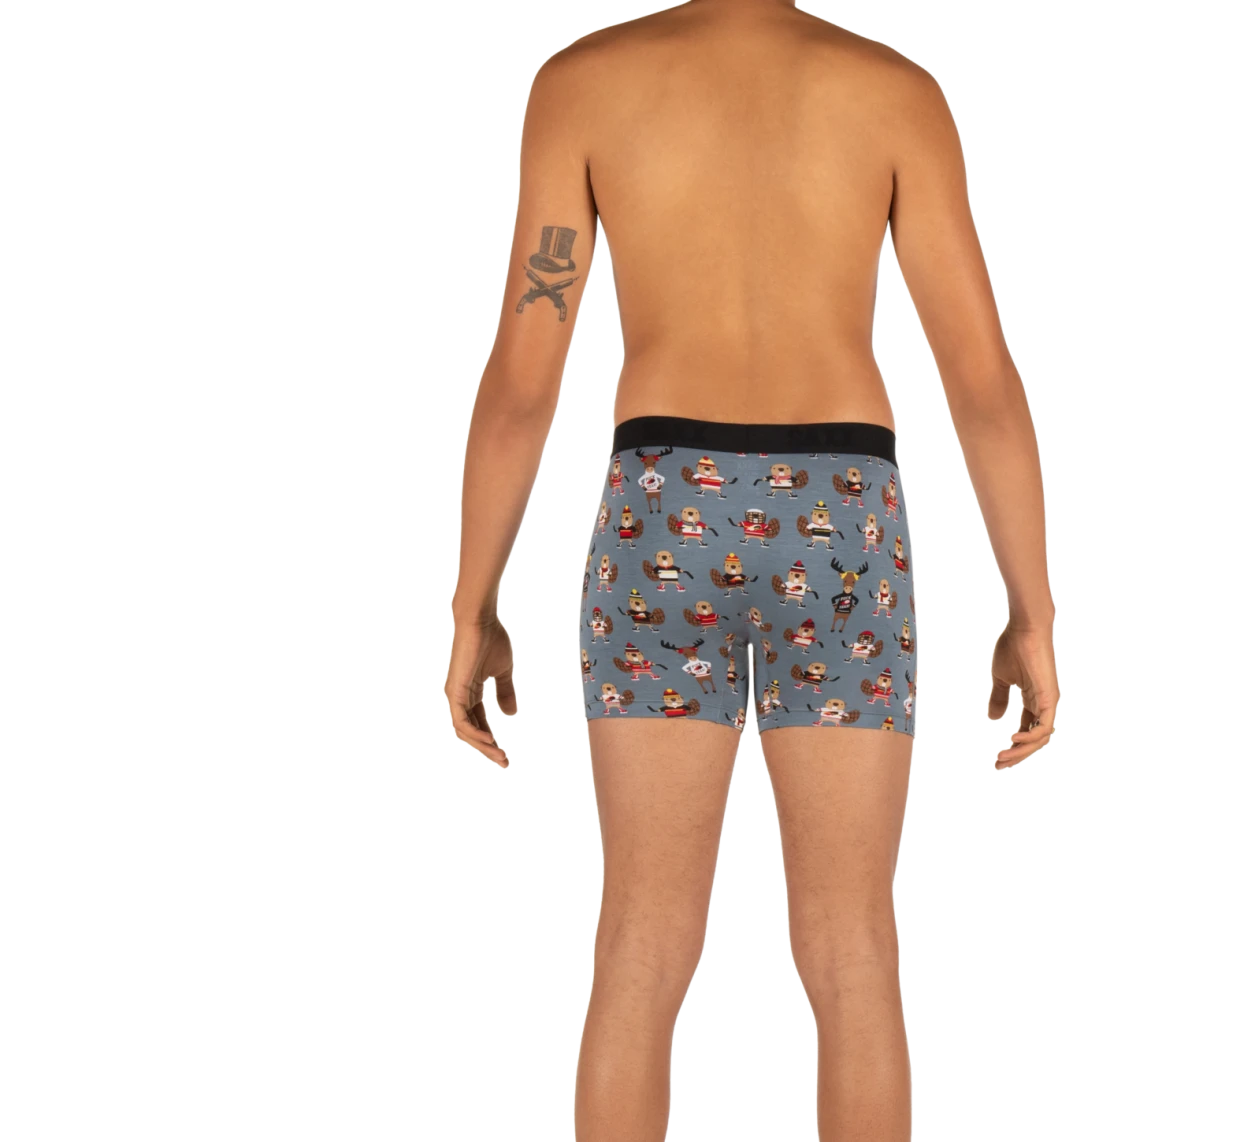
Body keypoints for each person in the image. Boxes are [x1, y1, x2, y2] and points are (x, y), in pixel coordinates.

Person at [445, 2, 1057, 1138]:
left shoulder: (583, 80)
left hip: (660, 510)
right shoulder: (894, 90)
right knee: (854, 948)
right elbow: (980, 379)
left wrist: (473, 602)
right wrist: (1032, 610)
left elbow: (525, 378)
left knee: (639, 942)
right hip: (843, 518)